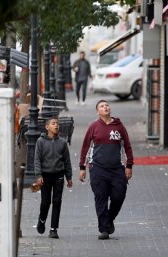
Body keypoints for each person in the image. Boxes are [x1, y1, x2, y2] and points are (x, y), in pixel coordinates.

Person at [78, 100, 134, 240]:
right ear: (98, 112)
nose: (105, 107)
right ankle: (104, 229)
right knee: (101, 198)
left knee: (119, 196)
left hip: (117, 169)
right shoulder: (94, 127)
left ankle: (109, 219)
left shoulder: (119, 126)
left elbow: (127, 146)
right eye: (102, 106)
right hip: (98, 169)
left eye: (107, 105)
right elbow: (85, 147)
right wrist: (82, 167)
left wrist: (129, 166)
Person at [35, 116, 73, 239]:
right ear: (47, 127)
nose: (56, 125)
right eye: (53, 123)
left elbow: (67, 161)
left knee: (57, 201)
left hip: (58, 174)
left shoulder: (62, 142)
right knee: (45, 202)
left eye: (57, 123)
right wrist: (38, 175)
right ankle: (41, 220)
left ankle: (53, 229)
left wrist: (69, 177)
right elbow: (37, 160)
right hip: (45, 175)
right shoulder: (40, 141)